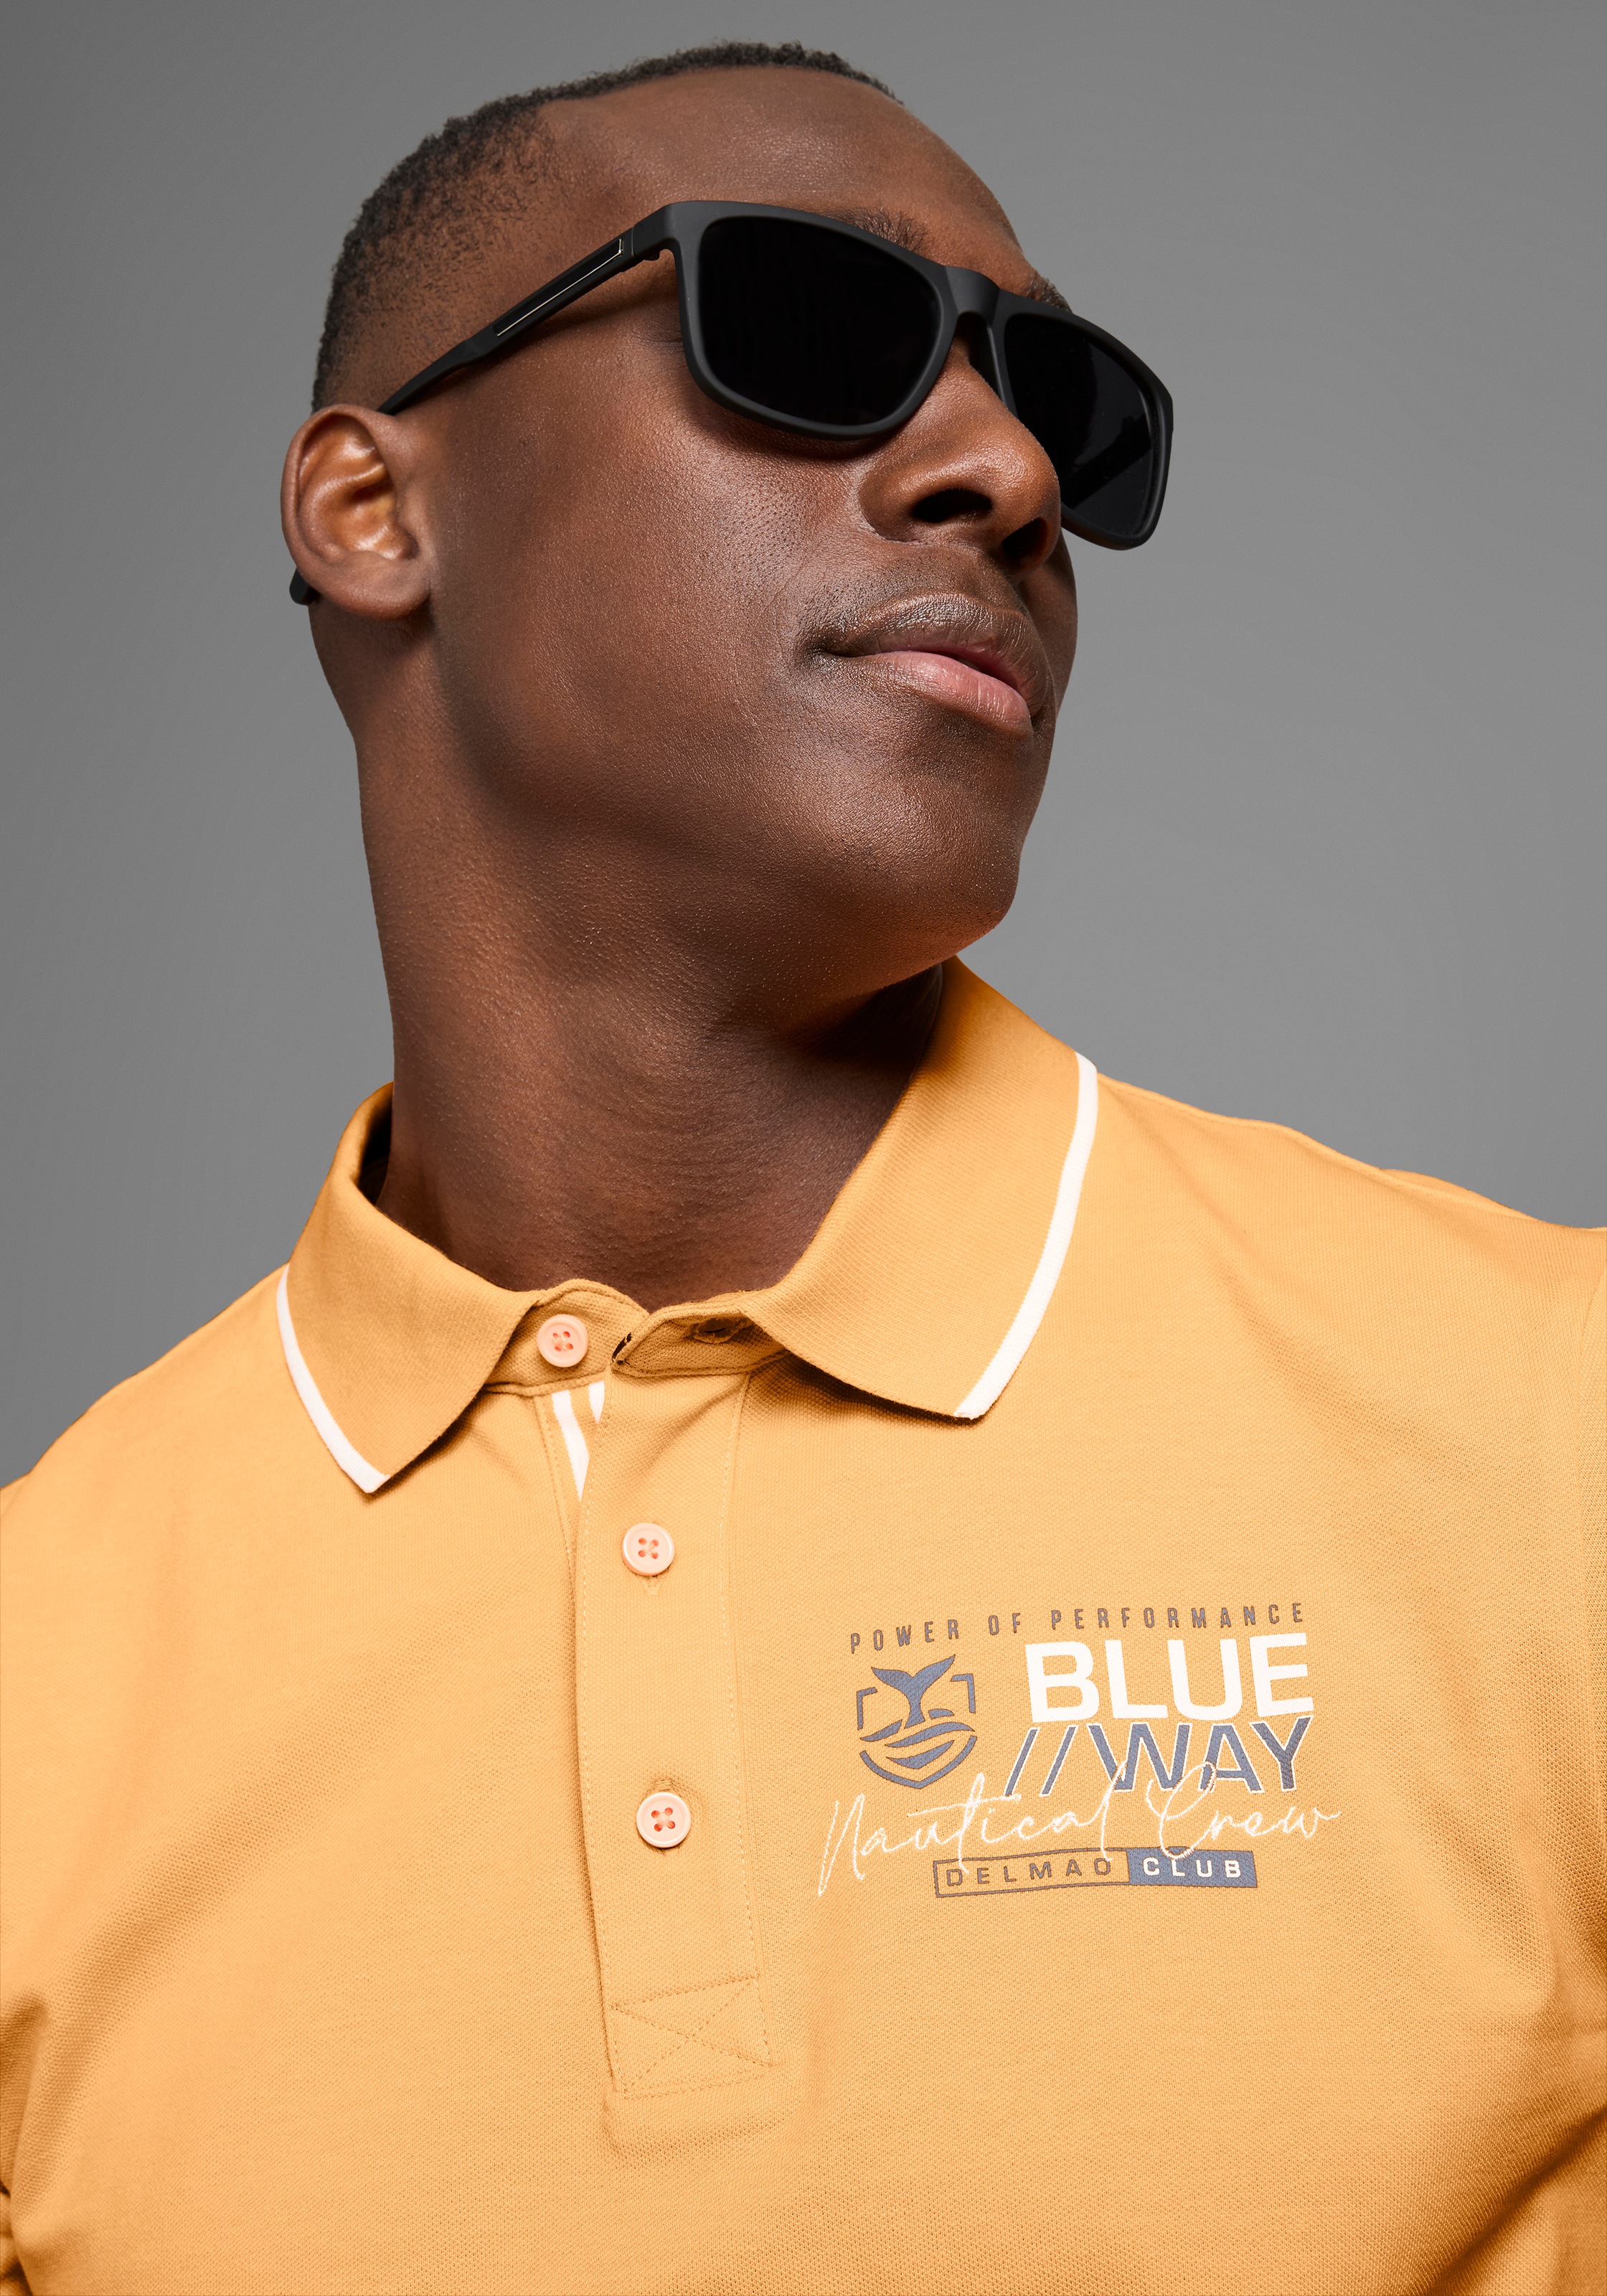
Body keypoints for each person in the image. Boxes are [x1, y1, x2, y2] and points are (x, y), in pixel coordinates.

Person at [1, 39, 1601, 2296]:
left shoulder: (1551, 1437)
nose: (1008, 472)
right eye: (808, 324)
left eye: (1060, 405)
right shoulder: (41, 1678)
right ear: (372, 509)